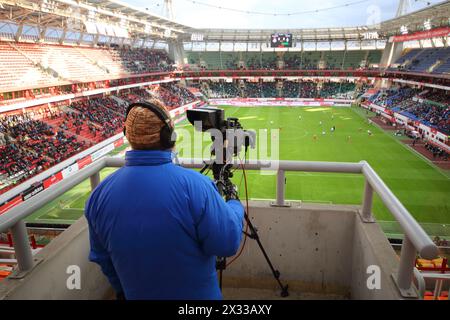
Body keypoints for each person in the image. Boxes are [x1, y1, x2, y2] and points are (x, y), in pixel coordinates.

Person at [85, 99, 244, 300]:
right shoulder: (197, 186)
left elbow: (103, 259)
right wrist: (235, 205)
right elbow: (227, 244)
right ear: (169, 136)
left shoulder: (98, 196)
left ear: (128, 135)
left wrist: (123, 291)